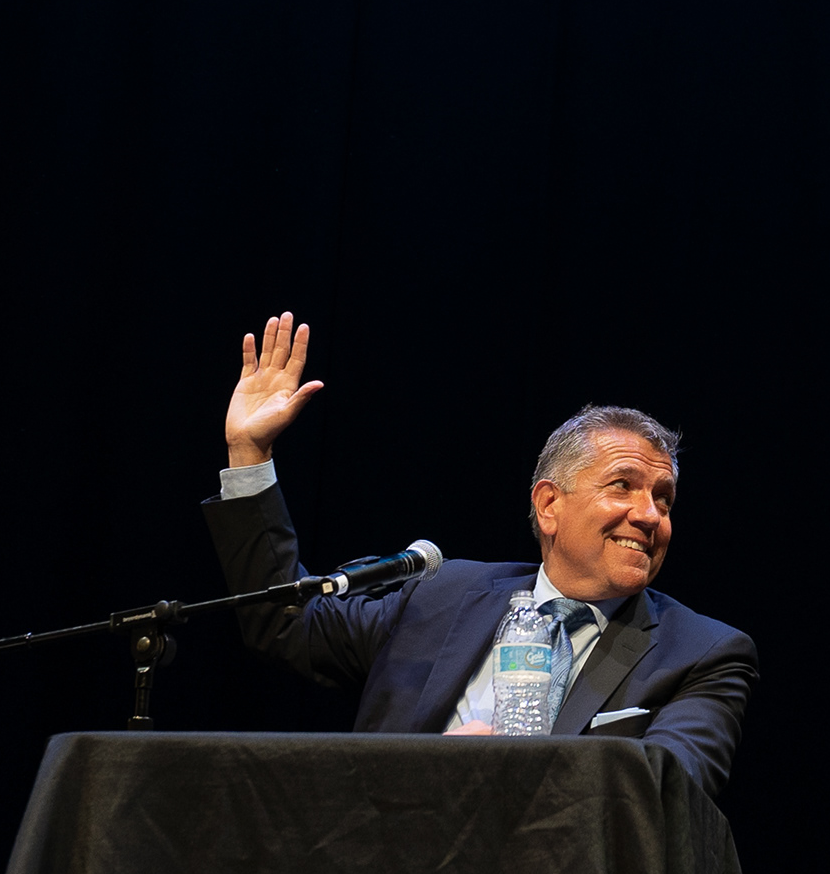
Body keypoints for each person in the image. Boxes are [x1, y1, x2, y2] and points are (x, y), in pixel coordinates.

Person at [200, 313, 756, 794]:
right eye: (623, 486)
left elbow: (669, 788)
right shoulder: (439, 596)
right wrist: (248, 454)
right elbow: (283, 622)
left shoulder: (701, 653)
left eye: (664, 499)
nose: (650, 514)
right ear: (549, 506)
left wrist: (489, 772)